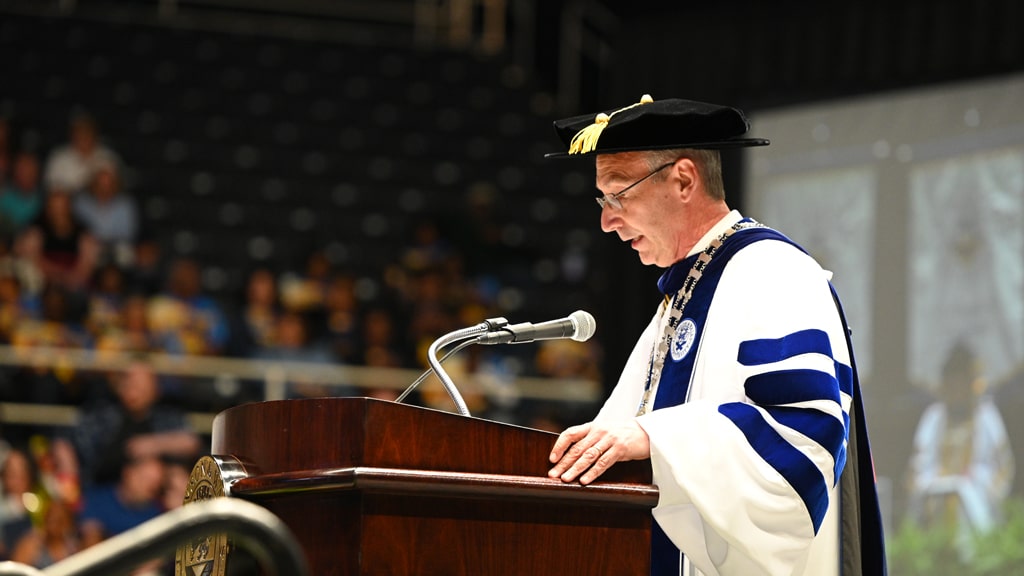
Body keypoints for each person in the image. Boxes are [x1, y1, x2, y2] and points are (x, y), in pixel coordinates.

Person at [543, 95, 886, 576]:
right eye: (603, 200)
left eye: (619, 194)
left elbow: (803, 437)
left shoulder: (772, 270)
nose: (607, 220)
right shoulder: (681, 299)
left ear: (683, 180)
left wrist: (651, 437)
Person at [43, 113, 121, 194]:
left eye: (87, 131)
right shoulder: (58, 157)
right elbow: (51, 189)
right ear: (72, 135)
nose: (83, 137)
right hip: (68, 203)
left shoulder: (108, 156)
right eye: (79, 132)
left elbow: (116, 187)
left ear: (95, 134)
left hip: (100, 204)